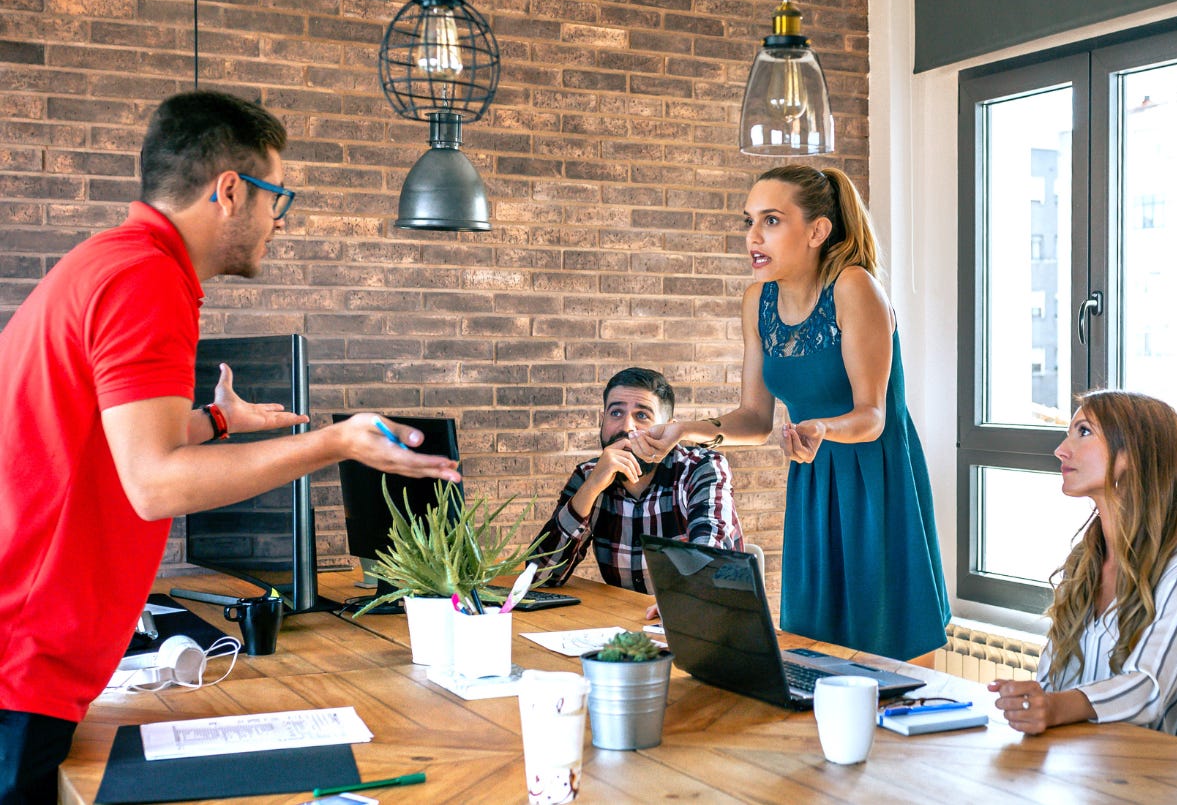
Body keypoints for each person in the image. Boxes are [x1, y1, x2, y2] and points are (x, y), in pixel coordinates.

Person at [0, 90, 461, 803]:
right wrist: (335, 442)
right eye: (279, 197)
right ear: (231, 190)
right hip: (25, 657)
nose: (281, 219)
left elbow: (96, 434)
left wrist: (216, 422)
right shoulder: (147, 278)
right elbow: (154, 483)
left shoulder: (109, 261)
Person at [630, 164, 950, 663]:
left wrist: (820, 427)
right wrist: (682, 430)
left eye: (772, 220)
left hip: (875, 481)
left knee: (890, 658)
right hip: (813, 480)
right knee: (813, 652)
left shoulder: (854, 287)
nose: (753, 236)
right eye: (749, 221)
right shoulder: (757, 301)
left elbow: (873, 417)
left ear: (817, 231)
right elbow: (754, 420)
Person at [988, 390, 1177, 740]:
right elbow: (1052, 685)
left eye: (1084, 432)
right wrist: (1029, 703)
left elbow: (1148, 688)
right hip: (1073, 766)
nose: (1061, 450)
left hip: (1147, 772)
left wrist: (1056, 707)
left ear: (1132, 455)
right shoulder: (1083, 564)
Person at [529, 367, 744, 593]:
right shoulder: (588, 475)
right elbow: (539, 577)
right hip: (627, 615)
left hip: (700, 610)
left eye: (642, 416)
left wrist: (674, 604)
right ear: (602, 420)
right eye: (616, 413)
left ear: (669, 429)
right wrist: (591, 488)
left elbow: (711, 561)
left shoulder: (701, 468)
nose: (626, 427)